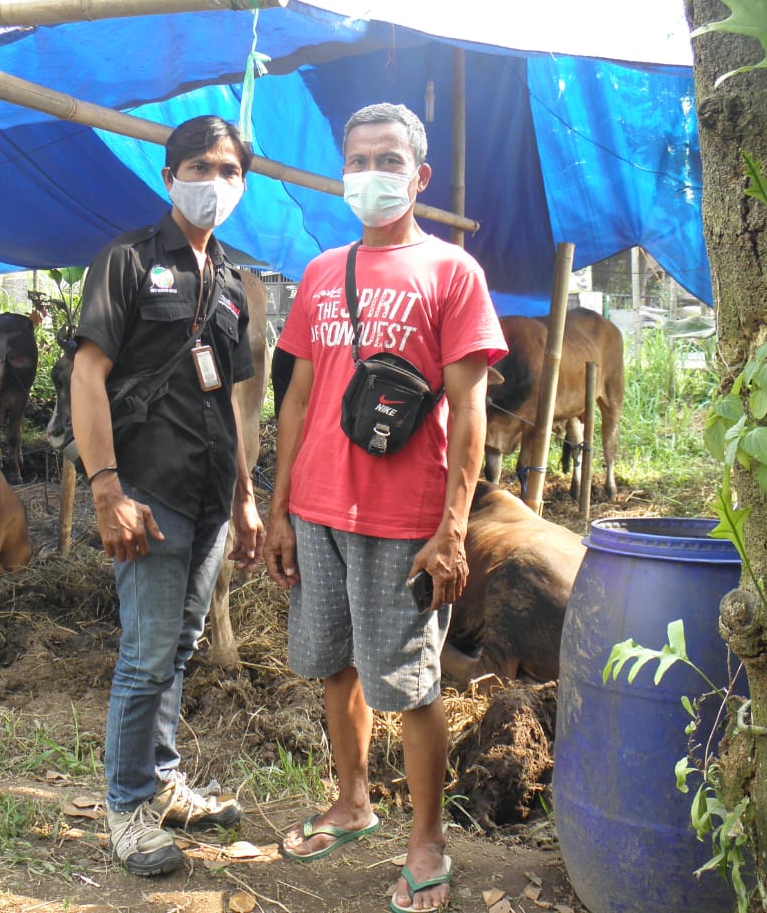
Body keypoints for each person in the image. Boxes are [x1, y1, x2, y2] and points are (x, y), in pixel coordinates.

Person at [264, 102, 506, 913]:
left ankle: (427, 839)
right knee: (336, 667)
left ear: (418, 175)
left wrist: (451, 528)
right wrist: (280, 505)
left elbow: (470, 411)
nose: (372, 172)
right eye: (359, 158)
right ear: (343, 172)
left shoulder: (452, 273)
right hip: (319, 509)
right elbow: (296, 396)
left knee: (410, 686)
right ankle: (353, 800)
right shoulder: (321, 273)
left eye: (389, 159)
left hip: (405, 521)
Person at [69, 115, 264, 877]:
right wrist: (106, 490)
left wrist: (246, 497)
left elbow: (228, 404)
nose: (215, 182)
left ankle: (163, 781)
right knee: (147, 655)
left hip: (211, 495)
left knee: (179, 647)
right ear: (169, 176)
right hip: (146, 493)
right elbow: (89, 376)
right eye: (201, 167)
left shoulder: (232, 282)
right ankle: (127, 809)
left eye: (229, 170)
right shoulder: (123, 262)